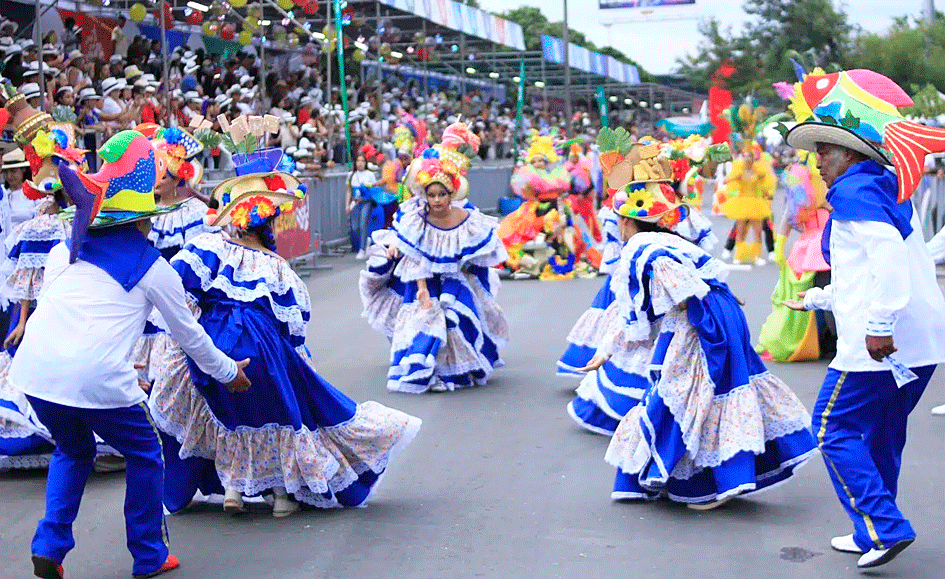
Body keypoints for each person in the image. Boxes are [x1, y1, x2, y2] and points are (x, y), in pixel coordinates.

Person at [5, 123, 249, 578]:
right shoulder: (155, 268)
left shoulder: (66, 250)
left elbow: (72, 313)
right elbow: (192, 338)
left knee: (71, 451)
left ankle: (50, 544)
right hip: (94, 378)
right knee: (145, 453)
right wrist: (229, 371)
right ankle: (149, 555)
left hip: (36, 375)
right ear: (142, 220)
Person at [147, 149, 420, 516]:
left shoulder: (209, 246)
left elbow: (179, 287)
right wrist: (296, 359)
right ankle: (280, 495)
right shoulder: (277, 267)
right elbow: (294, 322)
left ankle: (232, 490)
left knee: (223, 414)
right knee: (275, 416)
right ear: (270, 224)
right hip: (263, 349)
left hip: (213, 346)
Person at [581, 140, 816, 510]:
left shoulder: (644, 250)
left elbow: (665, 303)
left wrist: (611, 347)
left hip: (700, 324)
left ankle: (709, 484)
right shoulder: (665, 242)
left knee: (682, 395)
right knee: (696, 395)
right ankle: (701, 476)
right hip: (712, 315)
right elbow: (698, 285)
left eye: (619, 223)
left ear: (627, 223)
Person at [781, 69, 945, 569]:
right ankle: (872, 528)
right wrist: (817, 301)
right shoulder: (884, 185)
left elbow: (888, 260)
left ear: (851, 151)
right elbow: (874, 269)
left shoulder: (854, 191)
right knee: (881, 435)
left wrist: (878, 326)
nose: (818, 162)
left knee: (832, 429)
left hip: (884, 343)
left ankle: (884, 525)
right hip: (922, 342)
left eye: (825, 151)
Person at [360, 123, 509, 393]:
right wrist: (421, 290)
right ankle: (432, 370)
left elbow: (479, 247)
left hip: (454, 278)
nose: (438, 199)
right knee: (426, 321)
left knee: (456, 318)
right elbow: (415, 253)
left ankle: (457, 368)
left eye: (442, 194)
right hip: (423, 277)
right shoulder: (417, 215)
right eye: (433, 195)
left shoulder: (466, 215)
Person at [756, 153, 833, 362]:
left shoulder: (809, 171)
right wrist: (779, 244)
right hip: (820, 246)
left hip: (820, 245)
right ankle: (826, 341)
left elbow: (789, 216)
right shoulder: (800, 172)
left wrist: (781, 244)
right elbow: (790, 214)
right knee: (821, 295)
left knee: (823, 294)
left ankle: (828, 340)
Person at [345, 151, 389, 260]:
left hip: (366, 202)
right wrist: (347, 204)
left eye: (362, 161)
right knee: (355, 227)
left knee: (363, 223)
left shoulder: (370, 175)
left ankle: (362, 249)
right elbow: (349, 191)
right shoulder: (351, 175)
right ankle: (365, 240)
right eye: (358, 161)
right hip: (355, 202)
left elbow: (374, 189)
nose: (360, 163)